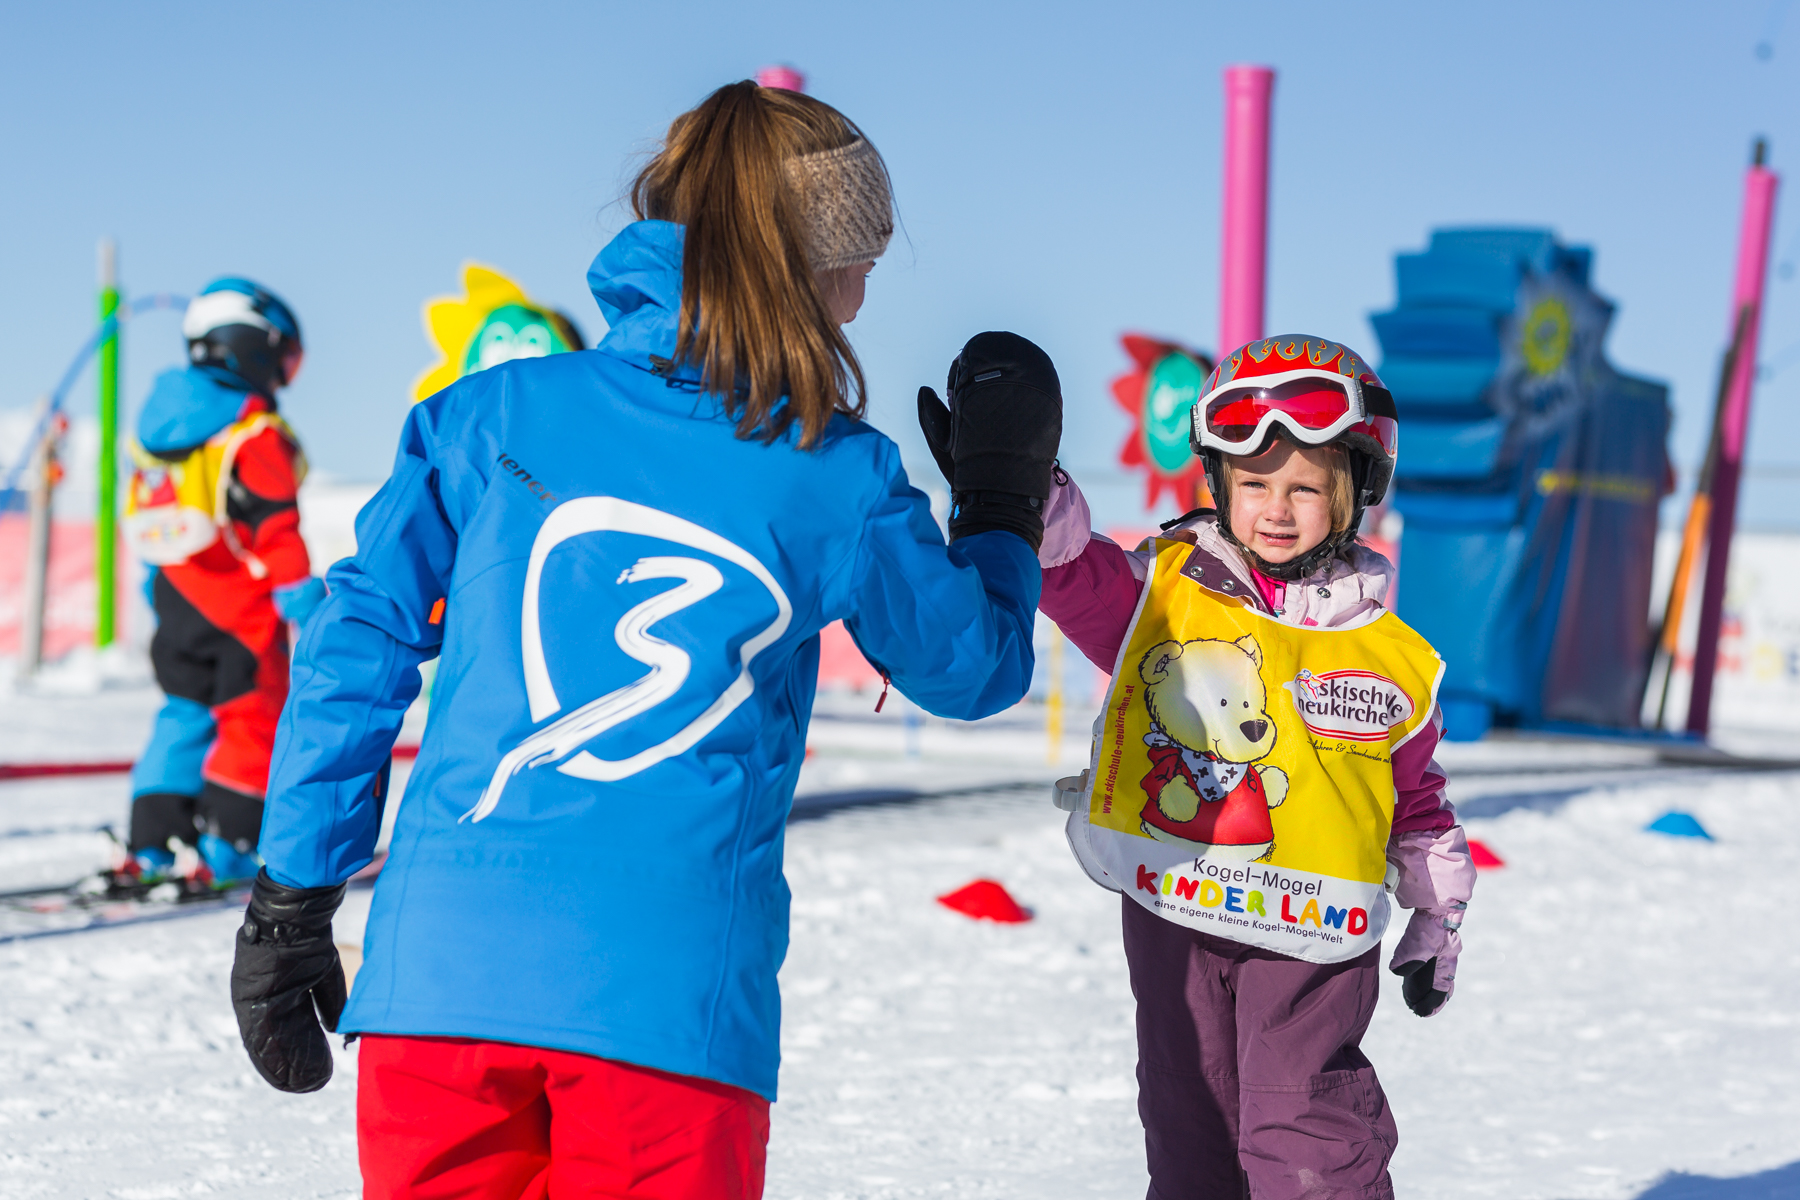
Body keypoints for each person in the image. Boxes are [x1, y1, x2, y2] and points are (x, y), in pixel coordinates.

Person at [229, 81, 1059, 1200]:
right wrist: (1001, 506)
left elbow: (355, 646)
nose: (861, 300)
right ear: (801, 266)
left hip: (440, 989)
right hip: (667, 1017)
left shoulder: (485, 418)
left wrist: (293, 892)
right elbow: (972, 668)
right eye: (859, 261)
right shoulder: (834, 469)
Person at [1035, 336, 1475, 1198]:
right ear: (1220, 486)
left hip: (1311, 933)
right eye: (1254, 484)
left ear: (1354, 493)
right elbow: (1073, 576)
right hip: (1177, 905)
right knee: (1186, 1114)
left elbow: (1417, 804)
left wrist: (1438, 918)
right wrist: (1024, 491)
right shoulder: (1164, 593)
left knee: (1307, 1128)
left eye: (1305, 486)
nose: (1277, 508)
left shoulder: (1389, 659)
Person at [120, 278, 322, 888]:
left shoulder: (158, 433)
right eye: (282, 359)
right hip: (240, 610)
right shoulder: (253, 434)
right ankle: (229, 844)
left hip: (175, 602)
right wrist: (303, 600)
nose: (282, 378)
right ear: (251, 348)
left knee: (182, 715)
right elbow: (273, 526)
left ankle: (152, 842)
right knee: (250, 717)